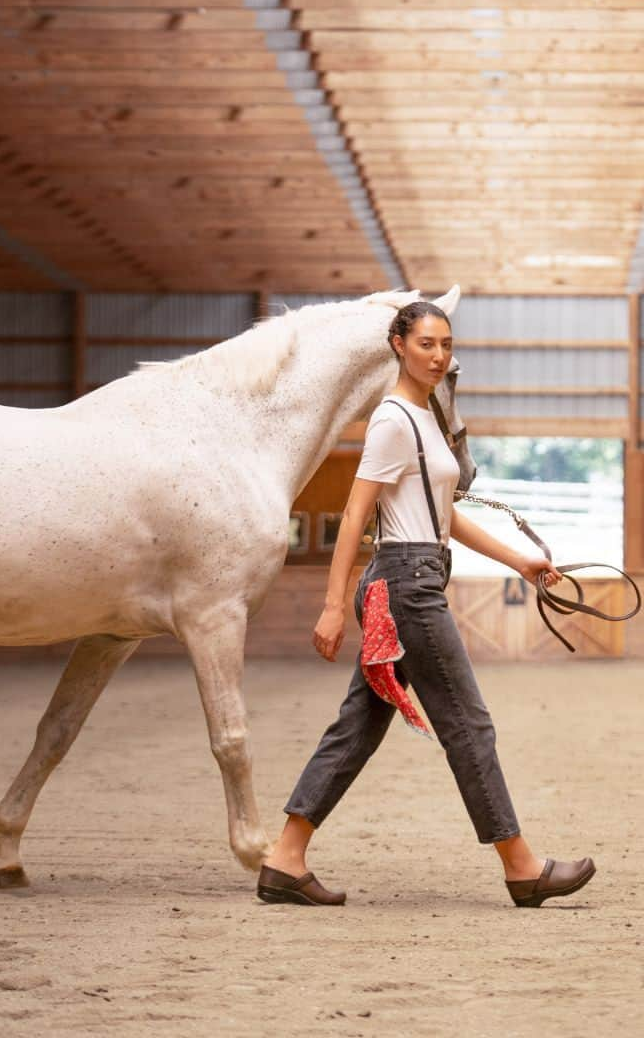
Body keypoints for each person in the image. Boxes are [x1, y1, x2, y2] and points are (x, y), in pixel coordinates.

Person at [257, 301, 596, 908]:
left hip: (412, 577)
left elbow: (446, 517)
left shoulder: (422, 418)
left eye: (445, 345)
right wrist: (332, 604)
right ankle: (521, 867)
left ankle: (285, 858)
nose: (438, 356)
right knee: (467, 723)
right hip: (406, 584)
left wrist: (519, 560)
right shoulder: (392, 419)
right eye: (425, 344)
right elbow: (357, 512)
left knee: (359, 725)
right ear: (397, 345)